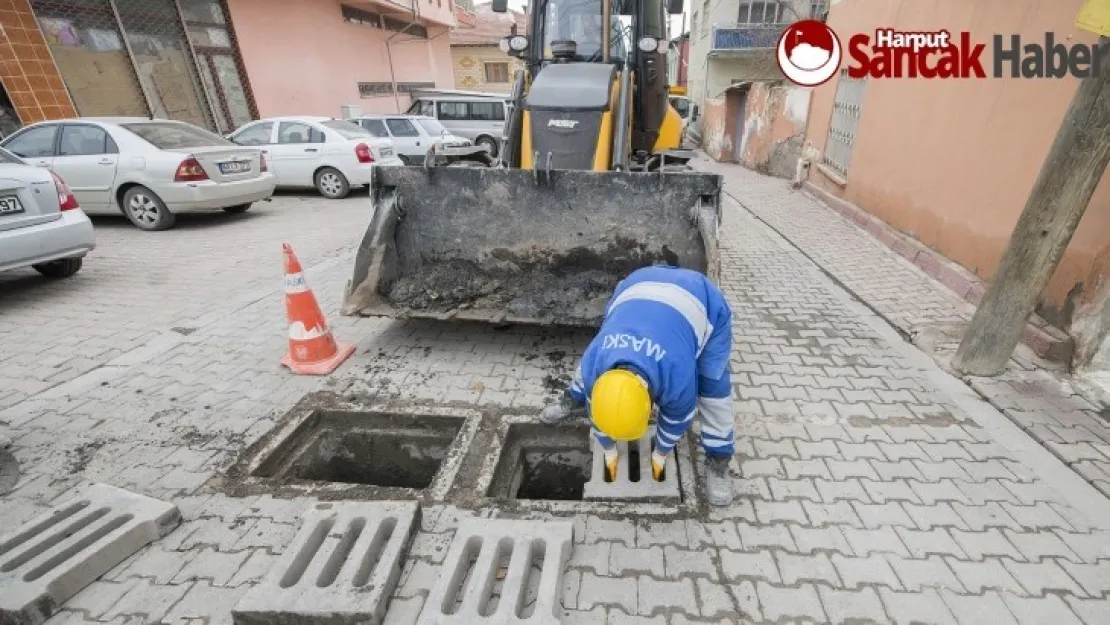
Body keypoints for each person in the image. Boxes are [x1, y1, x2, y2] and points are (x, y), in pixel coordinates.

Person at [540, 264, 735, 506]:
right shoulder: (596, 357)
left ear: (650, 404)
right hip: (634, 286)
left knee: (713, 386)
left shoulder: (678, 376)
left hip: (702, 302)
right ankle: (572, 398)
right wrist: (608, 450)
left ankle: (719, 459)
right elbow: (597, 413)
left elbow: (676, 420)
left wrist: (660, 452)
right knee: (587, 368)